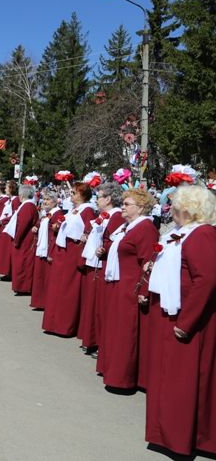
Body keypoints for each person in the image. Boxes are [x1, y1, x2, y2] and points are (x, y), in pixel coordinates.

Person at [145, 185, 216, 455]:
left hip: (187, 319)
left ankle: (180, 437)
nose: (170, 208)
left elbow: (206, 280)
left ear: (186, 208)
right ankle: (166, 433)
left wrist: (186, 322)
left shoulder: (202, 235)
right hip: (171, 314)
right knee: (168, 379)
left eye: (174, 204)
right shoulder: (183, 234)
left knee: (182, 383)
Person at [99, 188, 158, 390]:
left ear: (140, 208)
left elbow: (149, 261)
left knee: (126, 333)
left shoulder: (145, 229)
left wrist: (143, 291)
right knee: (116, 330)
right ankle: (113, 371)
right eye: (123, 203)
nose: (122, 207)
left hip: (130, 288)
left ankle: (122, 378)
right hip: (119, 284)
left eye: (127, 204)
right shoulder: (129, 226)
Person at [42, 182, 96, 337]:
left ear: (82, 195)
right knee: (57, 288)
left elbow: (88, 231)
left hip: (71, 253)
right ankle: (53, 323)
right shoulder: (73, 210)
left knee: (67, 290)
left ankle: (64, 326)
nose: (71, 195)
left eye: (74, 192)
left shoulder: (87, 211)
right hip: (62, 251)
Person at [79, 182, 125, 355]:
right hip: (96, 263)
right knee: (93, 305)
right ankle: (92, 339)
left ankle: (98, 342)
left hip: (104, 265)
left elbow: (113, 240)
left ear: (109, 198)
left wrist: (104, 248)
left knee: (100, 306)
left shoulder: (117, 216)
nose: (96, 200)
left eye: (99, 197)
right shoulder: (105, 215)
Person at [4, 184, 39, 295]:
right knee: (20, 263)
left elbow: (22, 225)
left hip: (25, 240)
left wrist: (17, 239)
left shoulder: (28, 206)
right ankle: (20, 286)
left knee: (23, 264)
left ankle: (23, 287)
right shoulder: (26, 205)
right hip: (24, 239)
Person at [31, 190, 62, 310]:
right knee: (40, 276)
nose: (45, 202)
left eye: (48, 200)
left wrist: (52, 252)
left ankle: (45, 302)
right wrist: (36, 227)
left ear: (55, 202)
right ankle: (39, 302)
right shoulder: (45, 213)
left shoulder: (57, 213)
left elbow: (56, 234)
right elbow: (40, 223)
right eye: (44, 200)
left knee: (47, 277)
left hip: (48, 249)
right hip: (41, 248)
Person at [0, 181, 20, 281]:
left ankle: (9, 272)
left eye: (6, 187)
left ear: (11, 189)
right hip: (4, 226)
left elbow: (15, 215)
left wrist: (4, 220)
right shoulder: (10, 200)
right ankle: (5, 271)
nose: (5, 189)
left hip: (8, 227)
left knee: (7, 251)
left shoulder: (15, 200)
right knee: (3, 251)